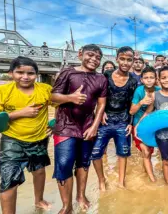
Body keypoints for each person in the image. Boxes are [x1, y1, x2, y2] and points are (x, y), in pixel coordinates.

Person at [0, 56, 52, 214]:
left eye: (30, 73)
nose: (25, 77)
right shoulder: (1, 91)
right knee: (9, 180)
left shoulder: (45, 89)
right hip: (12, 141)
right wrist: (18, 113)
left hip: (39, 139)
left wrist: (56, 124)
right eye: (20, 72)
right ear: (11, 73)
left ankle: (39, 200)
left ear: (37, 74)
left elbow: (60, 104)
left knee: (39, 171)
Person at [51, 44, 107, 213]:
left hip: (87, 126)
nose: (94, 59)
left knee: (83, 163)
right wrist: (71, 98)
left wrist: (95, 126)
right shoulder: (68, 72)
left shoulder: (101, 78)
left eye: (98, 57)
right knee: (64, 164)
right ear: (80, 54)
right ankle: (66, 206)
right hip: (65, 126)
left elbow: (101, 104)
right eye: (90, 55)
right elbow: (52, 97)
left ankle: (80, 195)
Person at [91, 46, 138, 190]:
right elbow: (97, 95)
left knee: (123, 153)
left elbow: (132, 103)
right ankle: (101, 180)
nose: (125, 63)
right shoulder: (106, 75)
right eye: (122, 59)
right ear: (117, 59)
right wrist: (100, 111)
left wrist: (131, 123)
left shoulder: (133, 81)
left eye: (129, 60)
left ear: (132, 61)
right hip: (104, 120)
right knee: (96, 152)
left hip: (123, 121)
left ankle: (121, 181)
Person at [136, 66, 168, 189]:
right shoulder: (155, 96)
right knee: (166, 161)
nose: (167, 80)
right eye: (163, 78)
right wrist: (137, 125)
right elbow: (147, 112)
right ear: (159, 80)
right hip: (161, 136)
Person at [129, 66, 160, 182]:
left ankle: (145, 173)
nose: (149, 80)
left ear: (156, 79)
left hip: (153, 126)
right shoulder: (139, 91)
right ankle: (153, 180)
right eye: (146, 78)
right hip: (139, 125)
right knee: (146, 152)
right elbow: (131, 111)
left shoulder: (158, 90)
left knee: (150, 152)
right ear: (141, 80)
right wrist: (142, 102)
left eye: (152, 77)